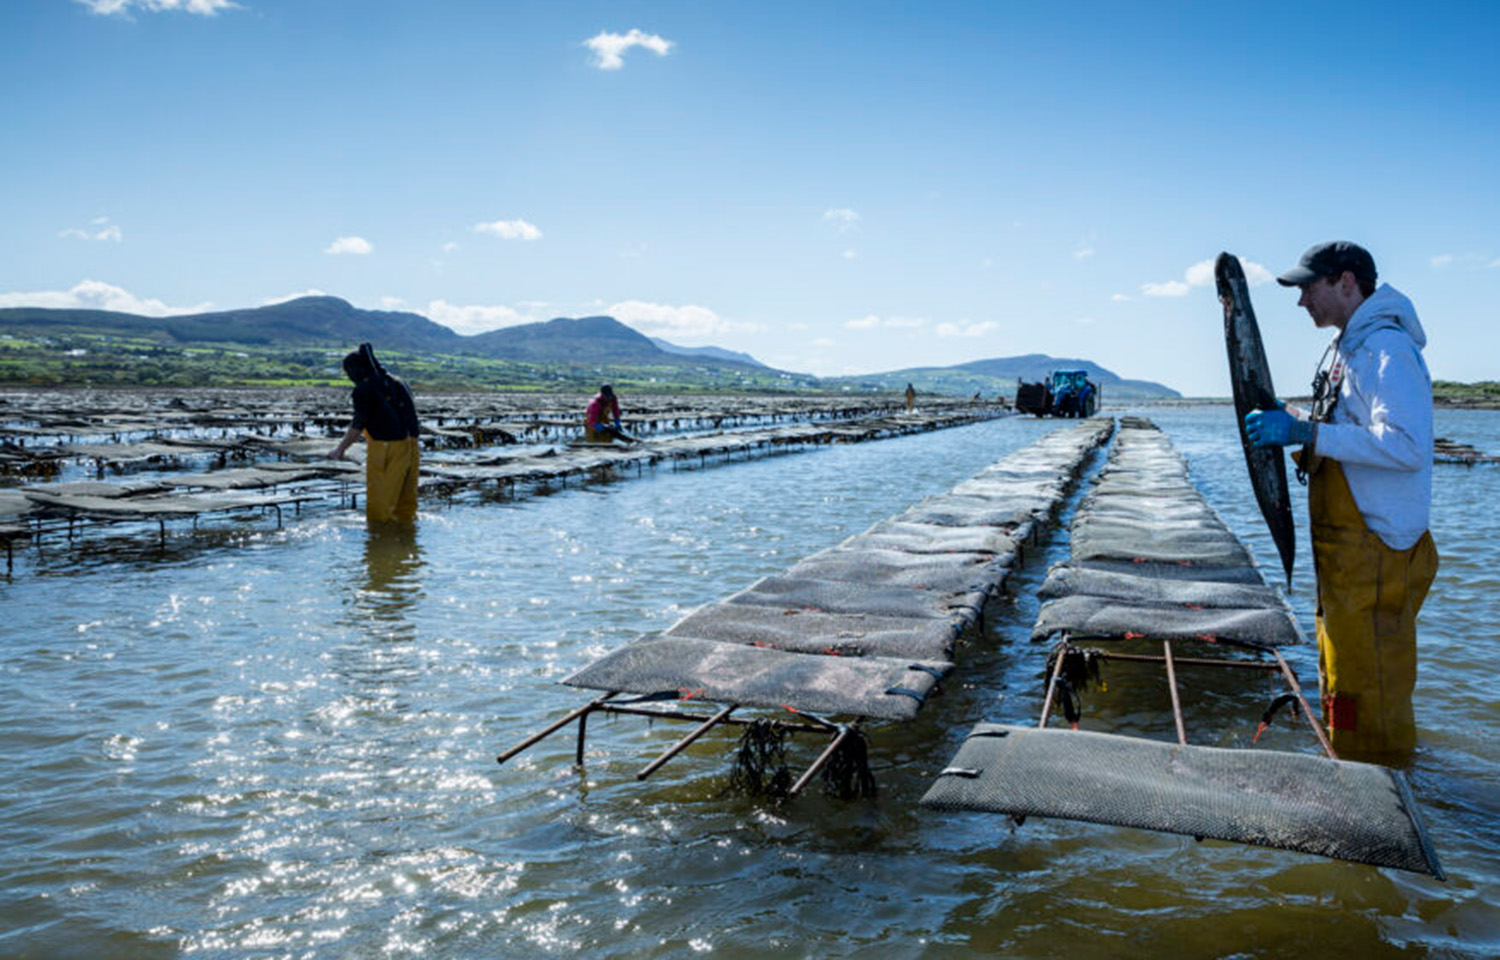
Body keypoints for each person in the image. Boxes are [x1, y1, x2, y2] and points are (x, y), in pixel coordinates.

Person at [1244, 241, 1437, 761]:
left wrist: (1306, 433)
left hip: (1377, 555)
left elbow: (1408, 446)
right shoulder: (1349, 347)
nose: (1302, 300)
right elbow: (1344, 425)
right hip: (1350, 560)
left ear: (1346, 282)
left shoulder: (1386, 351)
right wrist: (1285, 415)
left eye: (1309, 287)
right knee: (1345, 682)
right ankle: (1356, 772)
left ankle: (1389, 800)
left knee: (1372, 692)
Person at [329, 343, 421, 524]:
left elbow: (358, 424)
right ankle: (406, 542)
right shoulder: (397, 381)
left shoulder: (364, 389)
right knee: (405, 503)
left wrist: (340, 449)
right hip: (412, 445)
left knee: (380, 504)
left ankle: (379, 544)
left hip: (387, 448)